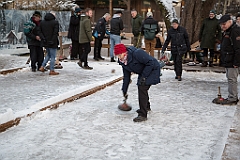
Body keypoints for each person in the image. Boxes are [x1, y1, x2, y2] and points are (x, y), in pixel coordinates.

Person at [114, 43, 161, 122]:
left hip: (153, 69)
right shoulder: (123, 62)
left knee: (142, 87)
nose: (119, 57)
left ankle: (143, 114)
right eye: (117, 55)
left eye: (120, 55)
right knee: (142, 87)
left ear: (124, 52)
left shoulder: (137, 53)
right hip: (144, 71)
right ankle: (146, 106)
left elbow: (150, 62)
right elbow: (126, 77)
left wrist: (144, 77)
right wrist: (124, 90)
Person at [218, 14, 240, 105]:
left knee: (232, 79)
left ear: (229, 22)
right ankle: (232, 96)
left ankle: (233, 98)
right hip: (228, 59)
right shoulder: (227, 31)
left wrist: (236, 62)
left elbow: (238, 48)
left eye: (224, 24)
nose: (222, 26)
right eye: (221, 24)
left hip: (232, 60)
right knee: (230, 78)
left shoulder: (235, 31)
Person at [39, 11, 59, 75]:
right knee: (53, 56)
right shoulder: (55, 23)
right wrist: (52, 40)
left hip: (45, 42)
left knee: (48, 55)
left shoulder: (42, 22)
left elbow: (39, 31)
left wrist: (43, 39)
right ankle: (52, 70)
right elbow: (55, 33)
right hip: (52, 42)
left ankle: (42, 66)